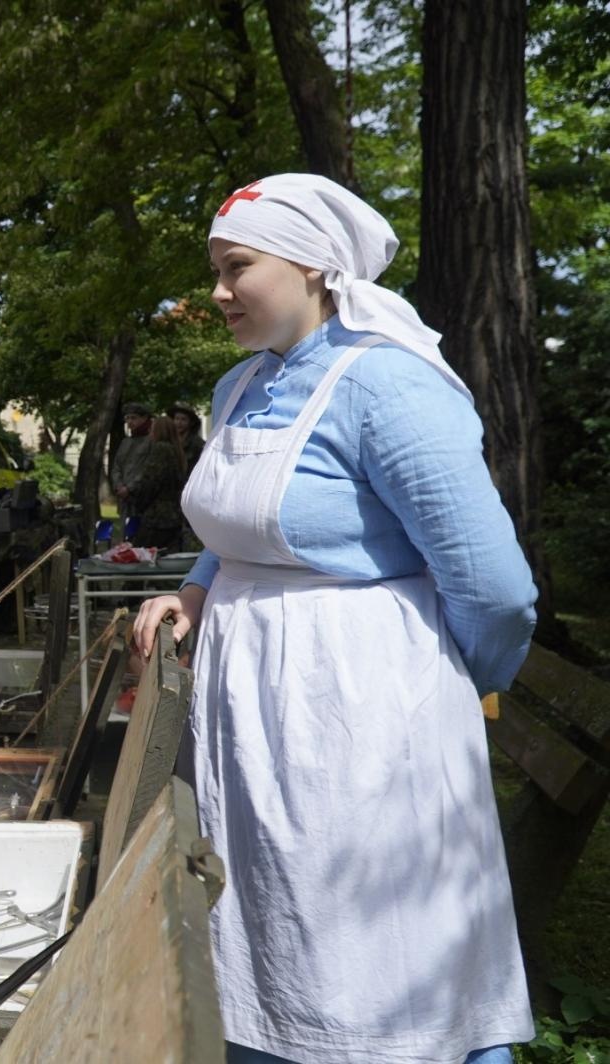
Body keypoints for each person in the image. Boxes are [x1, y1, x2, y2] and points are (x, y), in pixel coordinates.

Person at [133, 174, 536, 1064]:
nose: (217, 291)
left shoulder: (388, 386)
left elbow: (493, 585)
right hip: (256, 716)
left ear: (315, 266)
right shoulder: (242, 385)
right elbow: (239, 524)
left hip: (359, 710)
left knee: (367, 944)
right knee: (270, 921)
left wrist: (455, 685)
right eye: (214, 268)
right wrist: (195, 590)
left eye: (237, 267)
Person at [127, 417, 185, 551]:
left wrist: (138, 501)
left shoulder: (161, 449)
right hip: (174, 514)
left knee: (142, 554)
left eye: (152, 428)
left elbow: (151, 482)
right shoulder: (177, 452)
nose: (150, 431)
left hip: (157, 517)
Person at [109, 401, 153, 519]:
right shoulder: (125, 442)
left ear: (144, 418)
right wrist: (119, 486)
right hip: (124, 500)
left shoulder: (152, 441)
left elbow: (148, 468)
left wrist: (130, 488)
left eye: (134, 418)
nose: (129, 422)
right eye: (127, 418)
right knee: (125, 533)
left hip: (142, 498)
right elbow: (116, 466)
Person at [167, 402, 205, 472]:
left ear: (191, 423)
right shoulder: (169, 441)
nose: (179, 422)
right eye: (177, 419)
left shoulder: (198, 444)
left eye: (183, 419)